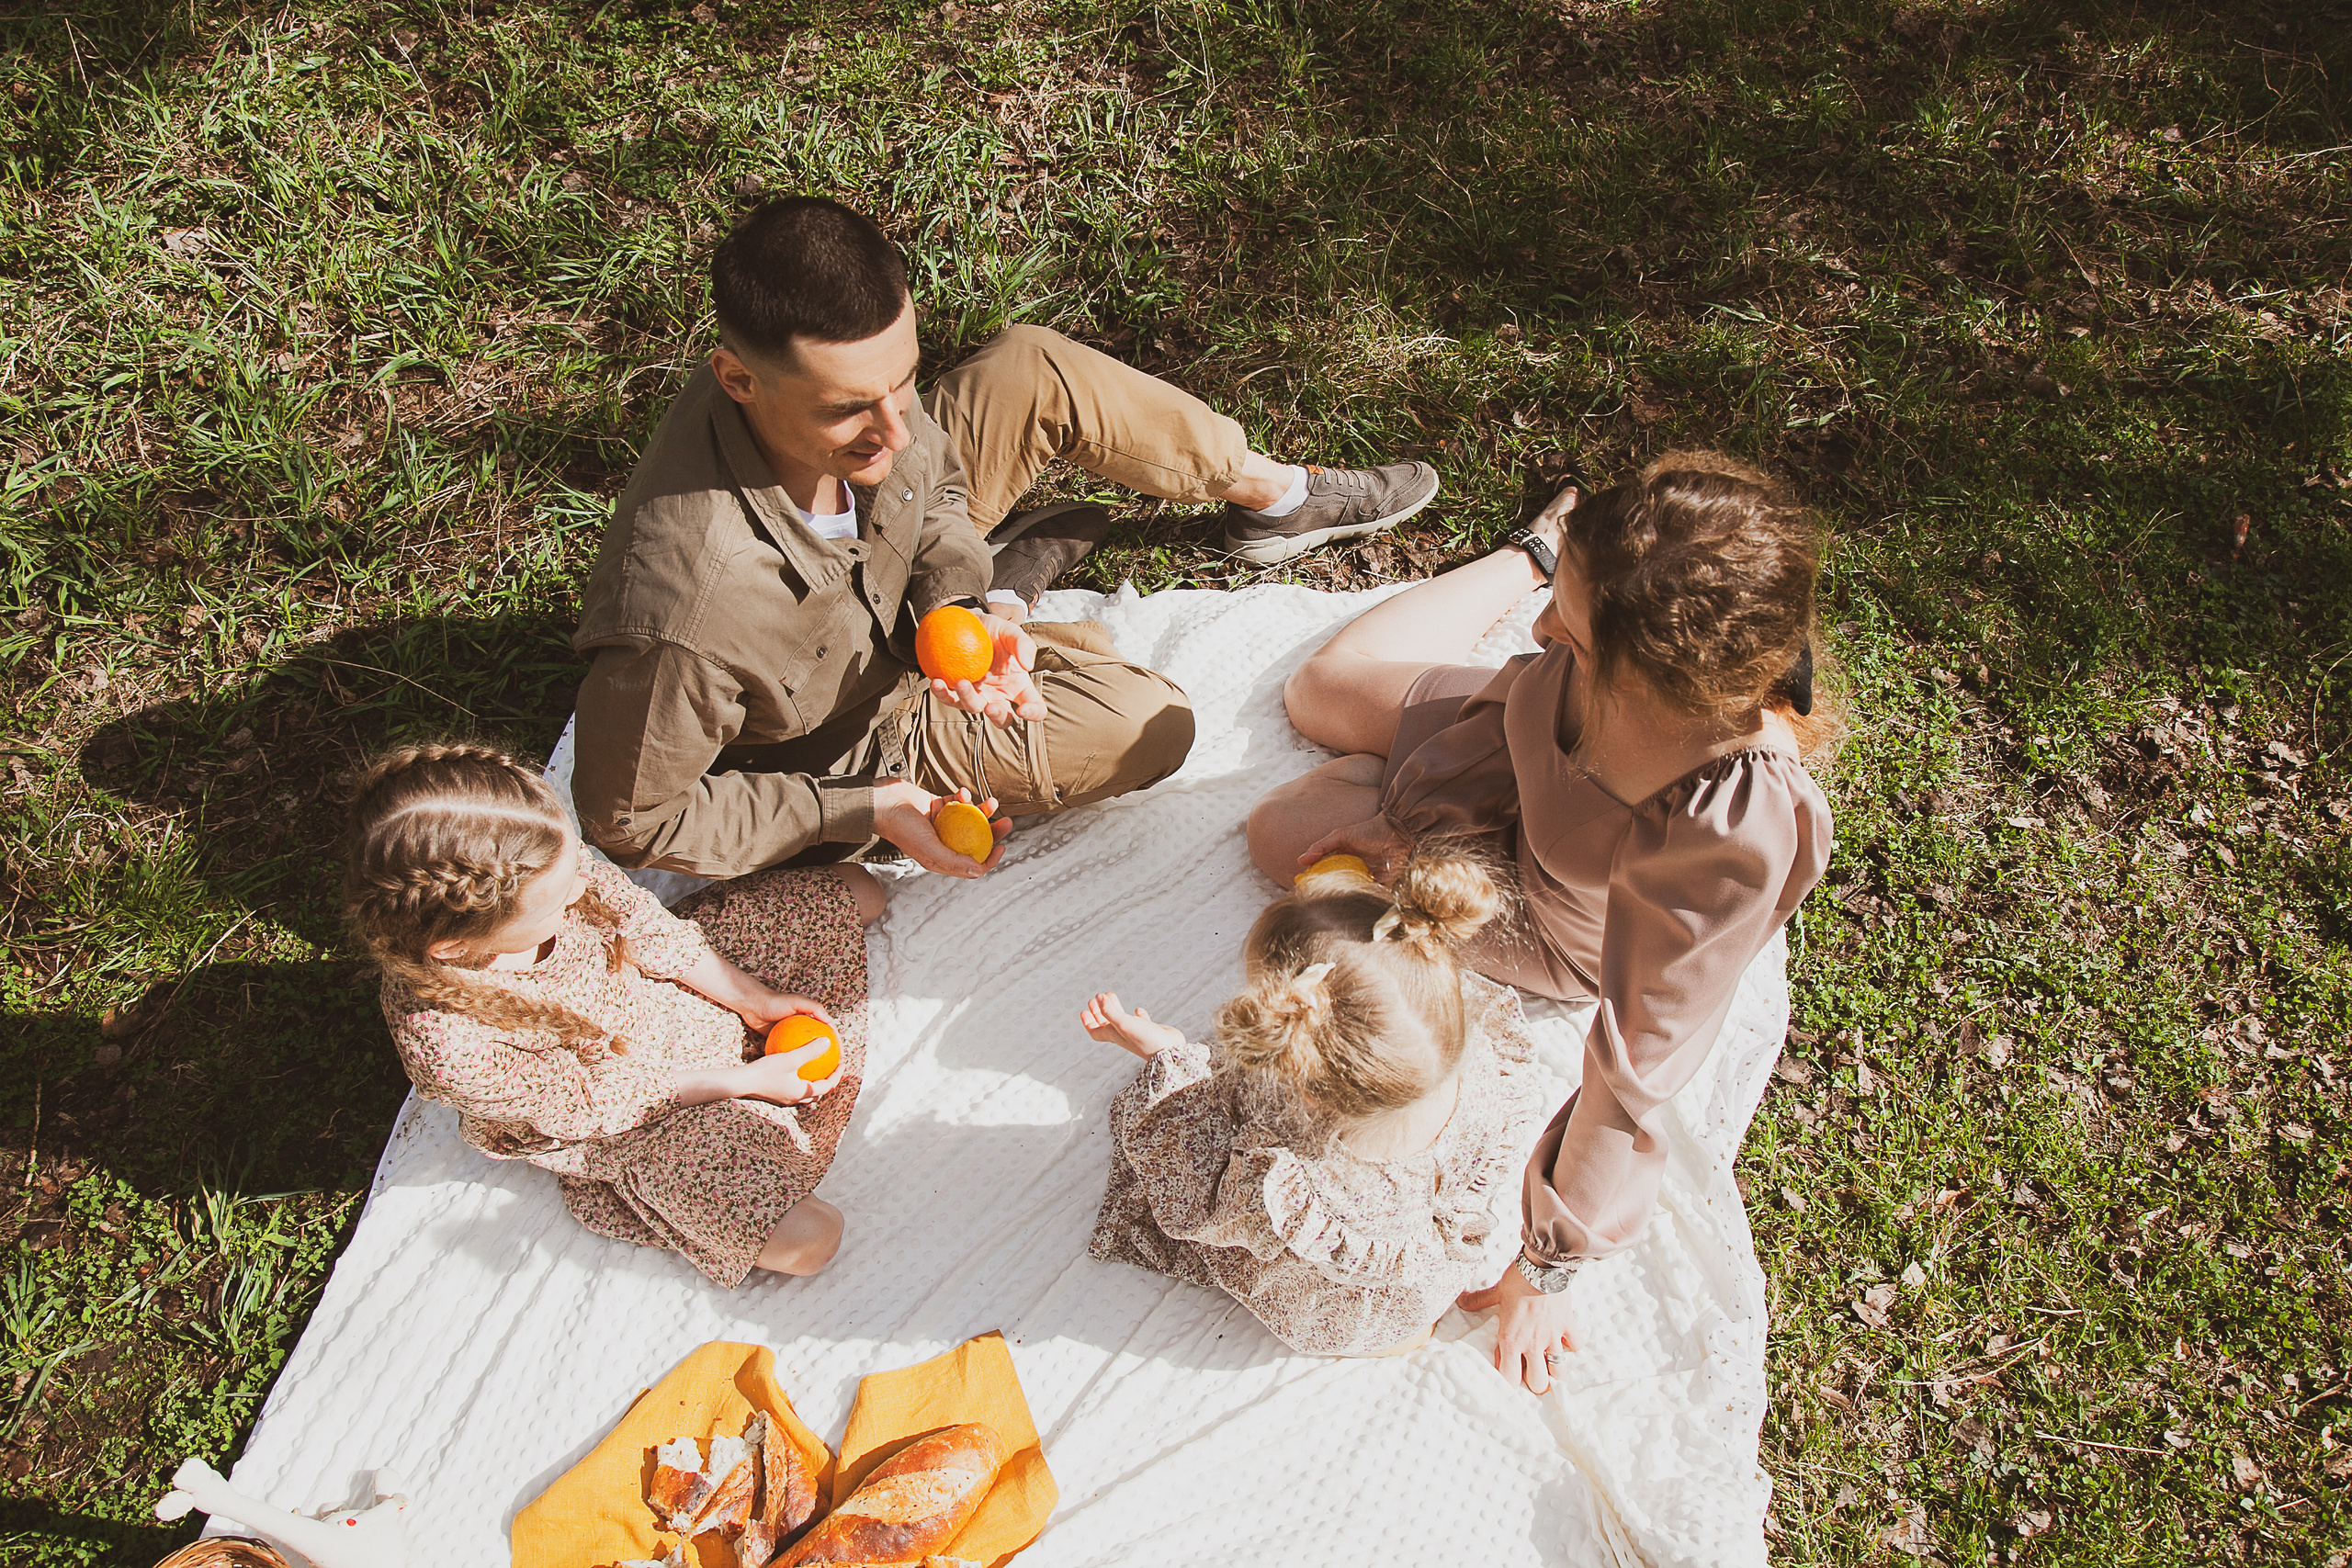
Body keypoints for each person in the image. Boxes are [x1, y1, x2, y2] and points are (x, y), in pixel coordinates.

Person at [571, 194, 1441, 882]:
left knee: (1031, 366)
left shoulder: (847, 409)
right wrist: (862, 807)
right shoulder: (689, 618)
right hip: (861, 731)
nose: (896, 428)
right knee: (1150, 723)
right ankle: (1018, 596)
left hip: (898, 593)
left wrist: (955, 600)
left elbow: (934, 483)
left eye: (905, 381)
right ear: (736, 380)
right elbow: (630, 818)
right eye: (849, 408)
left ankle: (1273, 498)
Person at [1247, 451, 1838, 1392]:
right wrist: (1420, 815)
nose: (1539, 632)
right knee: (1317, 689)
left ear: (1656, 687)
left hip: (1544, 916)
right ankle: (1526, 551)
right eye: (1558, 599)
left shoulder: (1732, 820)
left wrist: (1547, 1264)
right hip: (1491, 770)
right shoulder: (1593, 653)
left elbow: (1641, 1059)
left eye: (1572, 629)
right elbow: (1514, 705)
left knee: (1284, 838)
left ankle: (1385, 784)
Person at [343, 743, 886, 1287]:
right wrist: (745, 1082)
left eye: (574, 869)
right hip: (639, 1111)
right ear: (457, 947)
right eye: (557, 902)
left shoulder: (539, 852)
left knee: (860, 891)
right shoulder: (448, 1045)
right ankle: (661, 1184)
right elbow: (595, 1104)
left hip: (656, 993)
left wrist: (753, 999)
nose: (583, 887)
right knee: (812, 1241)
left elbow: (648, 928)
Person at [1081, 851, 1545, 1357]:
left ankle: (1378, 1336)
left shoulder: (1288, 1179)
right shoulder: (1485, 1061)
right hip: (1418, 1286)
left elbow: (1193, 1197)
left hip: (1336, 1311)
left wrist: (1170, 1058)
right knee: (1397, 1312)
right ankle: (1404, 1330)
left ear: (1298, 1082)